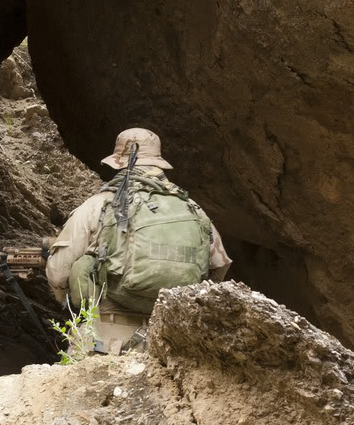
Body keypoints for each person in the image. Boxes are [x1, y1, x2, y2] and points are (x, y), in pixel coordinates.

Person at [46, 128, 231, 353]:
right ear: (159, 163)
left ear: (118, 163)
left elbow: (58, 271)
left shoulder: (100, 205)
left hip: (106, 338)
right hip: (172, 342)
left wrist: (72, 300)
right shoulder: (194, 210)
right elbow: (219, 267)